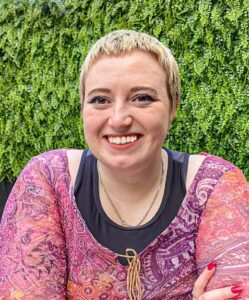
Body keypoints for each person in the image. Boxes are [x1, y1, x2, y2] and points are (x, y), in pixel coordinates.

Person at [0, 30, 248, 300]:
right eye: (100, 100)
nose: (118, 119)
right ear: (83, 108)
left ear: (173, 106)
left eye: (142, 97)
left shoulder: (215, 185)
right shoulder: (47, 180)